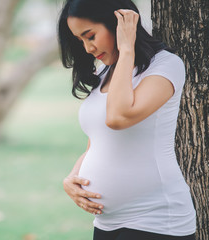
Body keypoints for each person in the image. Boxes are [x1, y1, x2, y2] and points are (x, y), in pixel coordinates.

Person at [57, 0, 197, 239]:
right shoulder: (103, 72)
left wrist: (127, 48)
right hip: (106, 222)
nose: (87, 48)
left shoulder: (165, 66)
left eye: (90, 36)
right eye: (80, 40)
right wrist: (72, 177)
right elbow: (99, 141)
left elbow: (118, 118)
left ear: (118, 23)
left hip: (156, 221)